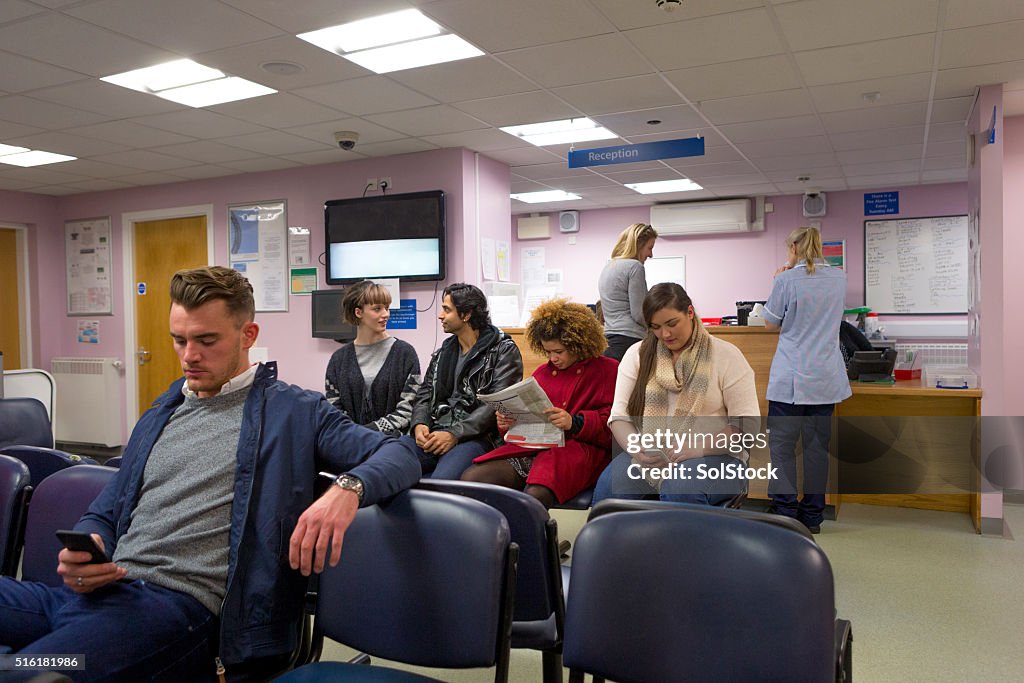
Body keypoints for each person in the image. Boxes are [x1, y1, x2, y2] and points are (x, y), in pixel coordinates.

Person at [0, 266, 421, 682]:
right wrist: (91, 544)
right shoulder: (161, 413)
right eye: (179, 340)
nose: (189, 355)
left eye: (206, 340)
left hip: (174, 610)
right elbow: (105, 511)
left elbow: (402, 453)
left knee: (37, 672)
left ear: (247, 336)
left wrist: (347, 489)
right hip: (95, 595)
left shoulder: (294, 411)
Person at [592, 283, 760, 506]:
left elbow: (747, 425)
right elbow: (619, 417)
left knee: (681, 488)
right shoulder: (638, 354)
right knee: (607, 490)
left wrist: (697, 449)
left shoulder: (726, 356)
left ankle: (678, 541)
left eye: (672, 323)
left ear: (690, 313)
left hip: (717, 456)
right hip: (654, 455)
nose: (666, 334)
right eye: (656, 327)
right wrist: (638, 450)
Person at [462, 299, 618, 508]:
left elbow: (614, 424)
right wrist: (507, 422)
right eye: (547, 352)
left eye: (559, 351)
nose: (553, 358)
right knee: (472, 479)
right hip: (534, 449)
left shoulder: (608, 370)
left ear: (578, 343)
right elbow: (521, 428)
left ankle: (533, 540)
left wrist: (575, 422)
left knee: (535, 494)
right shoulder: (542, 374)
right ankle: (492, 537)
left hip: (578, 451)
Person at [763, 226, 850, 534]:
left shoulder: (787, 279)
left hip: (791, 380)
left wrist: (781, 275)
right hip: (825, 379)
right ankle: (812, 516)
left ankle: (785, 511)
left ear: (794, 249)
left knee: (782, 448)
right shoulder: (840, 277)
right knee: (816, 450)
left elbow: (770, 324)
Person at [406, 283, 523, 480]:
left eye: (446, 309)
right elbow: (425, 393)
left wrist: (454, 434)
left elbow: (495, 404)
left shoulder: (503, 350)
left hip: (477, 438)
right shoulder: (445, 351)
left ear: (466, 315)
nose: (440, 315)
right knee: (389, 462)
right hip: (436, 431)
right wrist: (419, 424)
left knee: (440, 484)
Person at [324, 280, 420, 435]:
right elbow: (334, 408)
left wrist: (368, 431)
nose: (386, 314)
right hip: (350, 443)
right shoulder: (338, 360)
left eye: (387, 308)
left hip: (393, 443)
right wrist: (354, 435)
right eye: (377, 309)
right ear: (358, 313)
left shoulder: (404, 353)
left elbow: (408, 409)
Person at [598, 222, 658, 362]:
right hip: (629, 340)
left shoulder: (609, 266)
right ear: (637, 245)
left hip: (609, 341)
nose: (651, 254)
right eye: (649, 248)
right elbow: (638, 314)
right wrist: (655, 328)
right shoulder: (635, 267)